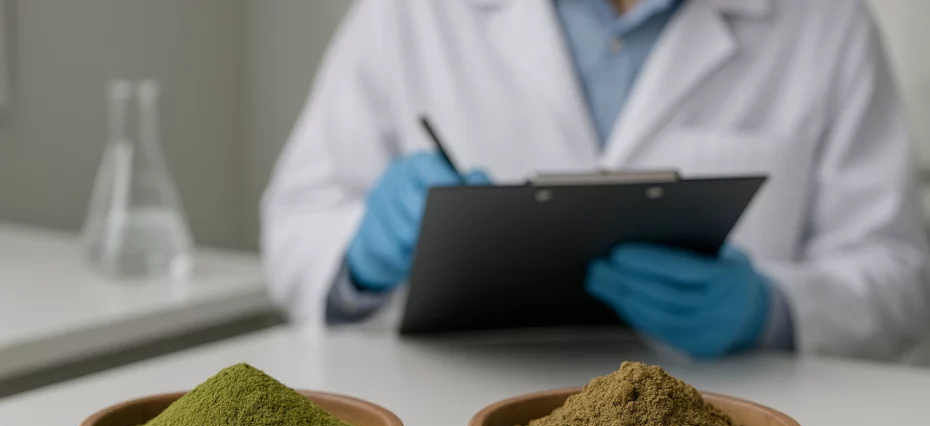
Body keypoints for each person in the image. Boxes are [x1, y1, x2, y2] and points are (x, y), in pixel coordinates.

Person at [261, 0, 930, 360]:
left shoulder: (826, 21)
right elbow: (295, 225)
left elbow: (901, 271)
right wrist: (361, 259)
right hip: (449, 421)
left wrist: (775, 311)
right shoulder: (409, 12)